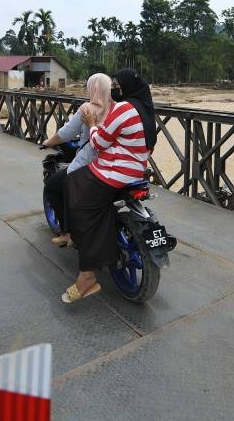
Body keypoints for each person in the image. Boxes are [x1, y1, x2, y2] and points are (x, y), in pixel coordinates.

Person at [61, 70, 153, 303]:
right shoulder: (145, 109)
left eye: (116, 85)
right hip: (137, 170)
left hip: (114, 172)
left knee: (76, 195)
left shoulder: (123, 108)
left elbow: (99, 142)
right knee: (94, 201)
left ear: (124, 87)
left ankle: (87, 276)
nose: (114, 89)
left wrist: (91, 124)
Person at [39, 74, 112, 248]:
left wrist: (47, 142)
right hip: (112, 164)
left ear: (91, 89)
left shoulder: (87, 108)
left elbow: (66, 134)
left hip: (88, 164)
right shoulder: (117, 109)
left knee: (53, 186)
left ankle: (67, 233)